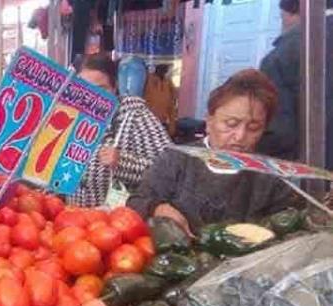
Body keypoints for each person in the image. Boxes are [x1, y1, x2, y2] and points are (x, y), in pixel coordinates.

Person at [128, 69, 299, 235]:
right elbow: (136, 202)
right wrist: (158, 209)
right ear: (209, 121)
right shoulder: (177, 159)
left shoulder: (271, 178)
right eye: (231, 123)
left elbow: (289, 227)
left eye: (253, 128)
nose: (240, 136)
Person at [69, 53, 172, 207]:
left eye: (101, 89)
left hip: (117, 225)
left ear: (114, 87)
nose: (92, 96)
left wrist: (123, 162)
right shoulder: (71, 118)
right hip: (72, 221)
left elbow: (169, 172)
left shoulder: (134, 115)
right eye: (85, 89)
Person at [258, 0, 333, 165]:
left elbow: (279, 134)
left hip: (317, 175)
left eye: (280, 17)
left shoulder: (283, 55)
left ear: (291, 12)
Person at [144, 64, 177, 136]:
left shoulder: (168, 83)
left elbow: (172, 106)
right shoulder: (147, 80)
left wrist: (172, 127)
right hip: (147, 125)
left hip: (162, 124)